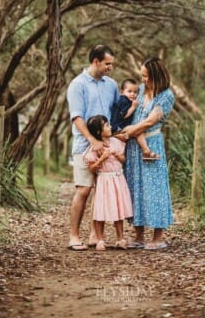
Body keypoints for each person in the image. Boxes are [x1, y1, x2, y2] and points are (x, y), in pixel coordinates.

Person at [66, 44, 119, 250]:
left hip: (107, 147)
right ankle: (73, 236)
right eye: (107, 63)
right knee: (84, 189)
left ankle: (95, 235)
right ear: (95, 61)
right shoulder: (77, 85)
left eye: (112, 64)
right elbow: (76, 117)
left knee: (103, 190)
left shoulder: (111, 85)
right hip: (84, 146)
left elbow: (116, 110)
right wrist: (92, 140)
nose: (110, 67)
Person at [120, 56, 175, 251]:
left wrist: (131, 131)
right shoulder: (141, 91)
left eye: (146, 76)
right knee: (135, 187)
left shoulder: (166, 96)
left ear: (156, 75)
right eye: (142, 76)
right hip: (134, 147)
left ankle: (158, 236)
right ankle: (139, 234)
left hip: (151, 144)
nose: (143, 80)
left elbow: (150, 121)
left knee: (155, 187)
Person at [84, 115, 133, 251]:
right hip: (104, 180)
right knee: (101, 210)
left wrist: (118, 156)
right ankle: (100, 239)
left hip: (118, 179)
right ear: (99, 132)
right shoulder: (95, 147)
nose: (110, 127)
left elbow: (123, 160)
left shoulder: (116, 142)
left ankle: (120, 238)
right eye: (106, 125)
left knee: (119, 209)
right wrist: (102, 159)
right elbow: (92, 168)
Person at [111, 78, 159, 160]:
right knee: (138, 130)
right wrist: (133, 107)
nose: (133, 94)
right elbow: (123, 116)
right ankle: (146, 151)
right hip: (117, 128)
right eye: (129, 91)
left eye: (135, 92)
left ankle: (145, 151)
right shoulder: (124, 100)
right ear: (122, 92)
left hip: (121, 127)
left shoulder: (127, 100)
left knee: (137, 130)